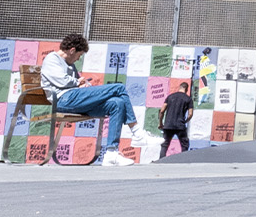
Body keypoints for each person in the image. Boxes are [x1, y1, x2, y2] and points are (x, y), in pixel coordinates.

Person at [42, 33, 138, 167]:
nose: (78, 59)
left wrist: (82, 83)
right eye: (79, 55)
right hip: (63, 100)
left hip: (75, 99)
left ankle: (111, 153)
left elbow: (75, 83)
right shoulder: (52, 59)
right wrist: (78, 82)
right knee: (119, 88)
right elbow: (62, 81)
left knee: (117, 103)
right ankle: (137, 132)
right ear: (72, 50)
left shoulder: (69, 64)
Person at [160, 81, 194, 157]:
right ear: (187, 89)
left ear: (179, 87)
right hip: (180, 125)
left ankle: (160, 161)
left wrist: (160, 123)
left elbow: (162, 111)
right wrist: (186, 121)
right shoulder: (188, 99)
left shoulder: (170, 97)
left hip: (168, 125)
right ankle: (182, 161)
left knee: (165, 144)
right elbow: (190, 114)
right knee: (184, 145)